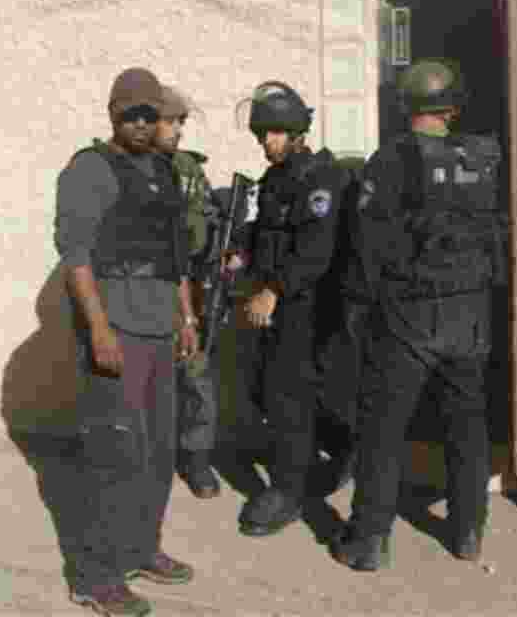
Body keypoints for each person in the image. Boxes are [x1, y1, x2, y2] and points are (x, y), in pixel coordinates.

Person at [329, 59, 506, 570]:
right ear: (452, 107)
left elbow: (367, 245)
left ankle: (368, 542)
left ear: (405, 104)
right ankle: (468, 533)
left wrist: (355, 310)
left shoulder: (393, 159)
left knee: (383, 427)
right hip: (472, 311)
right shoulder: (482, 158)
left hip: (411, 315)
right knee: (468, 427)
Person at [54, 67, 199, 616]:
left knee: (159, 452)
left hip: (160, 326)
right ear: (113, 113)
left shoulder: (162, 170)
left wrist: (187, 317)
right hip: (117, 330)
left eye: (150, 113)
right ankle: (95, 575)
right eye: (131, 112)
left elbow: (175, 256)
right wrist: (97, 329)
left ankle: (140, 550)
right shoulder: (90, 170)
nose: (141, 122)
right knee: (114, 453)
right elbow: (76, 255)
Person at [232, 81, 350, 537]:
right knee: (269, 391)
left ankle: (286, 491)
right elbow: (265, 230)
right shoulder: (277, 178)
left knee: (288, 399)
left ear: (298, 131)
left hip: (306, 307)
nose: (267, 142)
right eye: (262, 134)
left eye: (276, 133)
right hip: (279, 306)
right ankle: (328, 460)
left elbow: (316, 251)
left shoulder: (320, 178)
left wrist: (273, 290)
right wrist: (239, 251)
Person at [152, 84, 222, 499]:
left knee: (195, 375)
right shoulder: (132, 169)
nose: (179, 129)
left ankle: (195, 459)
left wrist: (223, 249)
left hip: (192, 283)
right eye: (172, 121)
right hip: (150, 286)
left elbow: (209, 214)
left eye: (182, 121)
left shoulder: (189, 169)